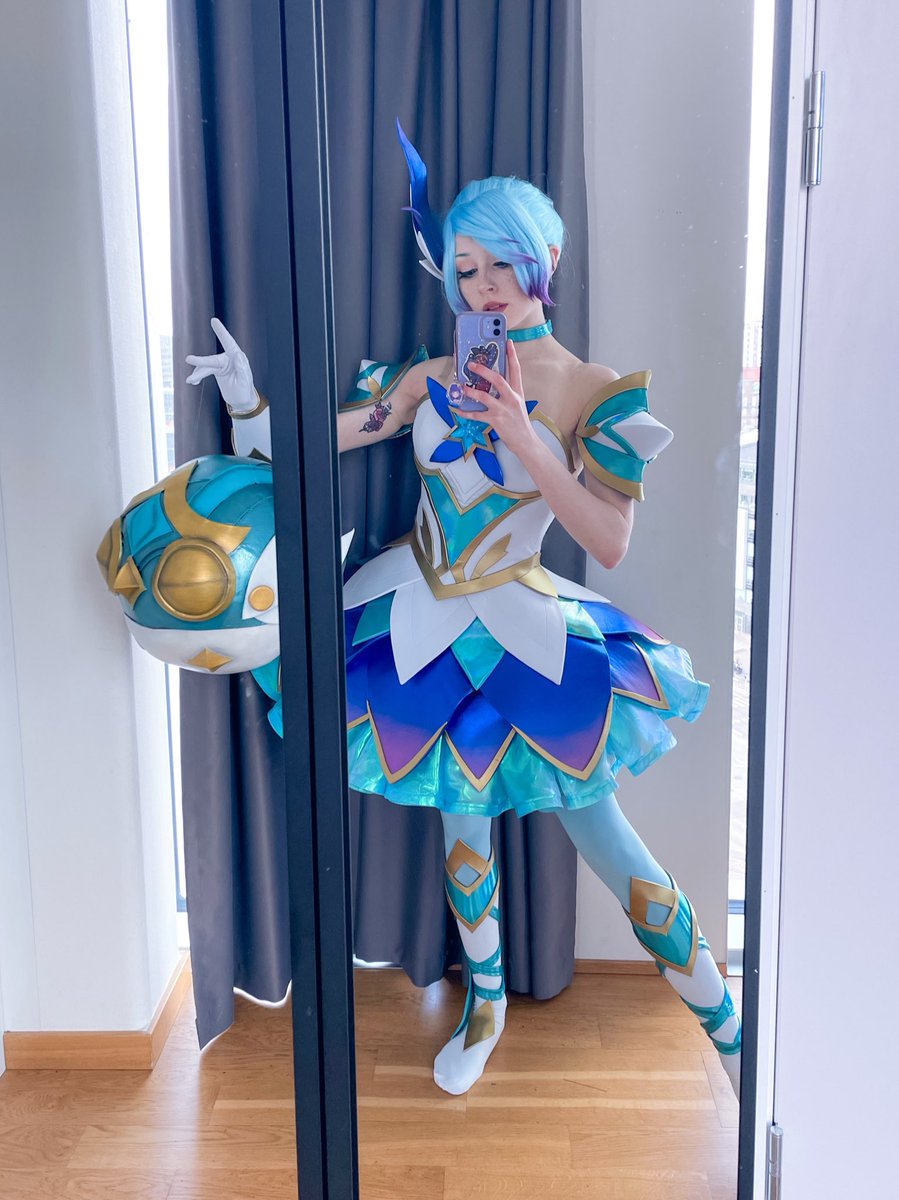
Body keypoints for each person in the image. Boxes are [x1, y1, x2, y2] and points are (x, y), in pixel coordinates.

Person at [184, 129, 742, 1099]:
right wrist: (246, 404)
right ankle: (483, 1008)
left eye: (499, 264)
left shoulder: (593, 392)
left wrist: (524, 436)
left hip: (527, 627)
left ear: (544, 258)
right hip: (419, 619)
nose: (482, 287)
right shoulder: (430, 375)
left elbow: (607, 540)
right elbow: (318, 442)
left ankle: (736, 1044)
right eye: (466, 268)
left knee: (612, 845)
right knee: (462, 828)